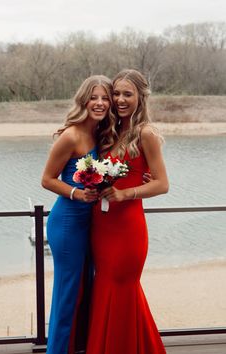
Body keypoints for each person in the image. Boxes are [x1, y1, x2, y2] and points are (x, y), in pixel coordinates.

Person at [86, 69, 169, 354]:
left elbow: (162, 184)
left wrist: (126, 193)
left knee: (122, 289)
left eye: (127, 94)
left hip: (128, 228)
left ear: (140, 97)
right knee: (106, 288)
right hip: (102, 225)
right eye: (116, 94)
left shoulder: (146, 133)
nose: (120, 100)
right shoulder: (108, 131)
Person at [41, 75, 116, 354]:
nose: (99, 103)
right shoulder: (70, 135)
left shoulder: (101, 134)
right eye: (94, 97)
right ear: (83, 100)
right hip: (67, 223)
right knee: (68, 292)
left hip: (92, 223)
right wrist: (75, 193)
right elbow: (47, 179)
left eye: (105, 98)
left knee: (86, 287)